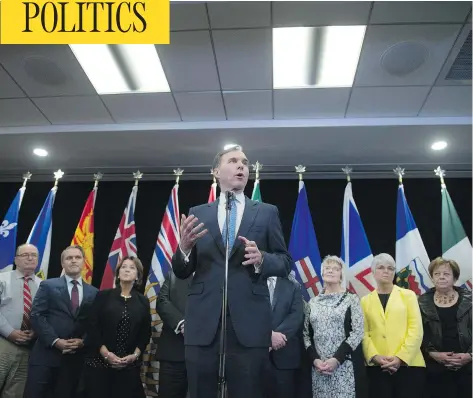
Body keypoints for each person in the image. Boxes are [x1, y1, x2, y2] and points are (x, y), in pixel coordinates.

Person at [171, 145, 292, 398]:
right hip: (204, 322)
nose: (241, 166)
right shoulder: (198, 213)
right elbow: (182, 272)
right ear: (215, 170)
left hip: (249, 324)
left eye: (245, 163)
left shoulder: (267, 212)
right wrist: (183, 248)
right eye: (234, 161)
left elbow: (284, 262)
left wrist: (262, 259)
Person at [25, 245, 98, 398]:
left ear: (84, 262)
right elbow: (37, 315)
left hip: (74, 360)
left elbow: (95, 323)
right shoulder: (48, 285)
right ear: (62, 263)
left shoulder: (94, 292)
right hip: (46, 356)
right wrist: (55, 341)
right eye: (69, 258)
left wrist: (83, 341)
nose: (73, 261)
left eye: (77, 257)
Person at [83, 256, 151, 398]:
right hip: (100, 365)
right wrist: (107, 354)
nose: (127, 270)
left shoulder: (143, 301)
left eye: (132, 268)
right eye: (123, 267)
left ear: (138, 275)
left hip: (129, 366)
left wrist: (135, 356)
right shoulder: (103, 295)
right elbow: (92, 327)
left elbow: (145, 333)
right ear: (118, 273)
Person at [361, 253, 425, 398]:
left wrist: (400, 358)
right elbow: (364, 333)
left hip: (409, 365)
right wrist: (374, 356)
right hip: (377, 367)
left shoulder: (408, 295)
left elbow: (416, 330)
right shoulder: (365, 300)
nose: (386, 271)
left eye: (390, 268)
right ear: (373, 272)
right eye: (381, 267)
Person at [303, 255, 367, 398]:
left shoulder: (352, 299)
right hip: (320, 368)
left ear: (341, 275)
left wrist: (336, 359)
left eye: (335, 269)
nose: (330, 271)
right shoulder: (312, 302)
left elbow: (357, 332)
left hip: (345, 366)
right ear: (322, 273)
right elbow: (306, 335)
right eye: (327, 268)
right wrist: (315, 360)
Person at [418, 257, 472, 398]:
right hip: (434, 368)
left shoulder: (471, 300)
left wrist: (470, 356)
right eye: (437, 274)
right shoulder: (421, 302)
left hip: (468, 367)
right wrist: (432, 354)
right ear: (432, 278)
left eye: (446, 274)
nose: (441, 277)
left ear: (454, 278)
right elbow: (417, 333)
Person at [0, 244, 42, 397]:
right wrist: (10, 332)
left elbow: (44, 315)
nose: (30, 258)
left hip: (28, 347)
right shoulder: (1, 279)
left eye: (34, 255)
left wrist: (36, 332)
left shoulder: (43, 285)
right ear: (16, 259)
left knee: (15, 393)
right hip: (3, 342)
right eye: (25, 255)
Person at [263, 273, 303, 398]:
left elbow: (296, 316)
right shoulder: (249, 282)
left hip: (284, 357)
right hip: (255, 357)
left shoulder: (293, 286)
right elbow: (245, 315)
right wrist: (266, 337)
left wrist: (274, 338)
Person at [155, 269, 192, 398]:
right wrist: (181, 324)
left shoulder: (216, 277)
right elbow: (162, 301)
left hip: (206, 356)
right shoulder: (174, 275)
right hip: (173, 355)